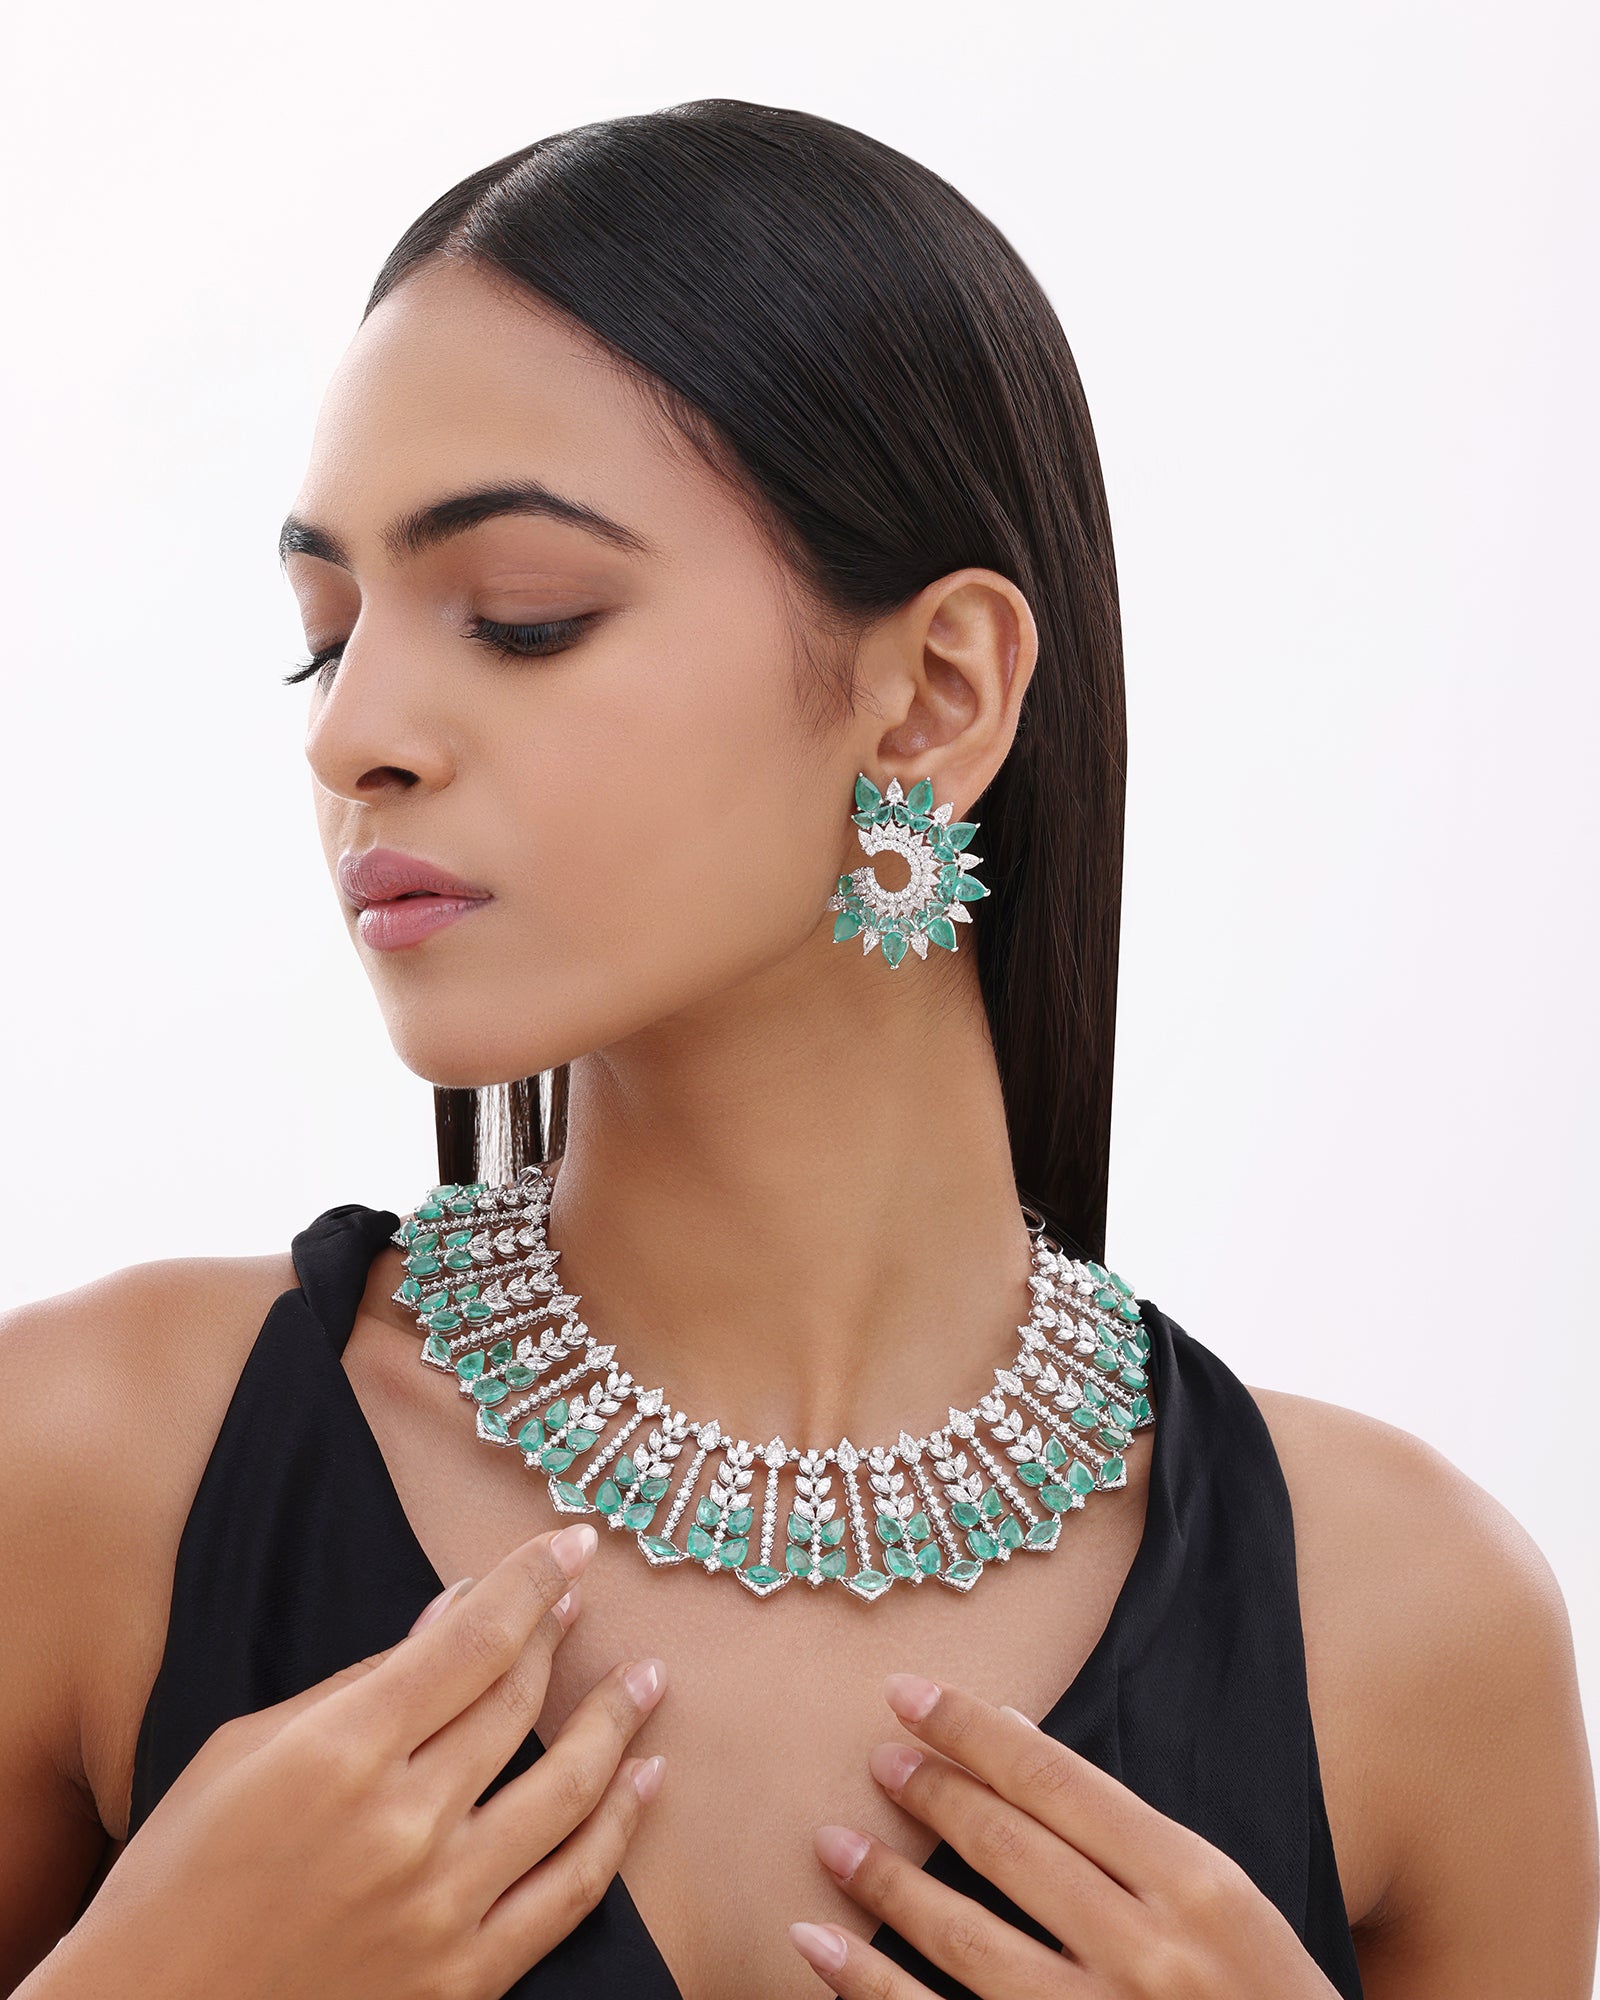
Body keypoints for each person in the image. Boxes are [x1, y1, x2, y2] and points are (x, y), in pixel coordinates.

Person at [2, 98, 1594, 2000]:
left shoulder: (1411, 1628)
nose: (352, 734)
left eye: (519, 617)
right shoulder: (89, 1474)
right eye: (325, 637)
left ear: (934, 696)